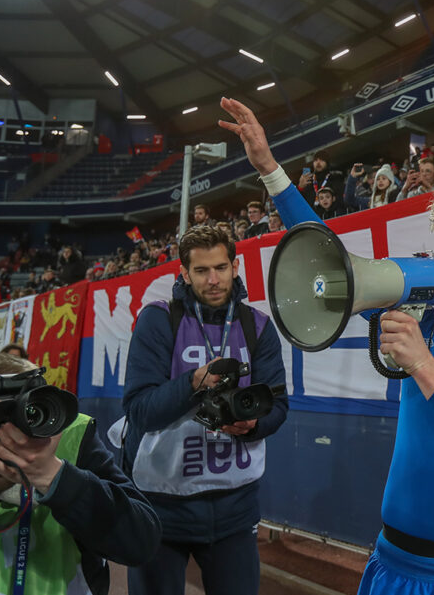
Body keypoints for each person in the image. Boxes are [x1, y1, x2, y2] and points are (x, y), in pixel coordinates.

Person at [219, 96, 434, 595]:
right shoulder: (421, 320)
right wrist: (270, 170)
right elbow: (330, 255)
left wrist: (423, 365)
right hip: (389, 563)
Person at [122, 225, 288, 595]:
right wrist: (193, 383)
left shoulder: (257, 325)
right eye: (201, 271)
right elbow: (139, 411)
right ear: (184, 273)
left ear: (236, 266)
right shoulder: (159, 319)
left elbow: (279, 406)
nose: (213, 280)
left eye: (221, 267)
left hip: (235, 509)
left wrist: (253, 425)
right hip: (161, 506)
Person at [0, 353, 161, 595]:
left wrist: (55, 477)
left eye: (29, 409)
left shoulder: (71, 434)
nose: (17, 427)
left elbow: (140, 541)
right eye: (1, 414)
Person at [298, 149, 346, 213]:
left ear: (327, 163)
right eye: (315, 160)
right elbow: (300, 204)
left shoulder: (335, 178)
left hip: (334, 216)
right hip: (314, 219)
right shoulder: (309, 181)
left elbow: (341, 201)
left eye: (322, 160)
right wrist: (300, 187)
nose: (318, 163)